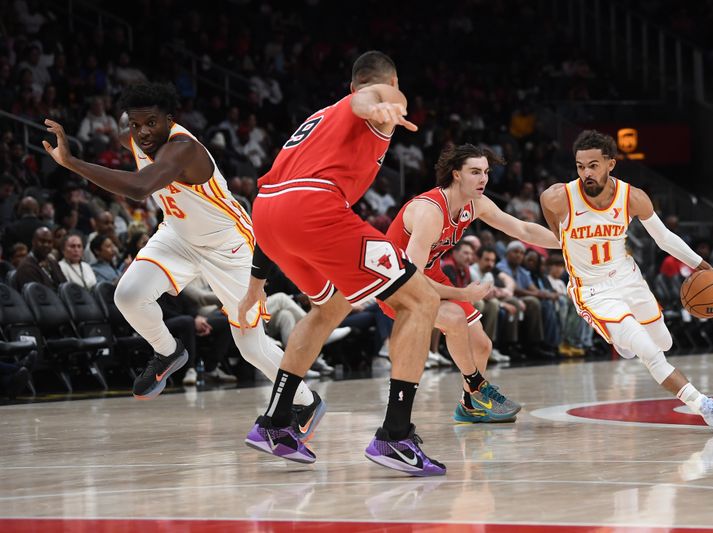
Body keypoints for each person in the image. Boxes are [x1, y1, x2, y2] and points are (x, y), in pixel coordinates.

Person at [42, 82, 324, 440]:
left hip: (228, 245)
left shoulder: (183, 148)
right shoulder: (138, 139)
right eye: (135, 125)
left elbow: (139, 188)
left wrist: (70, 162)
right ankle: (168, 352)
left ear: (169, 120)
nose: (143, 132)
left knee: (250, 345)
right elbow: (137, 168)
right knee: (127, 294)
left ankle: (306, 401)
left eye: (151, 124)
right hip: (178, 234)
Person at [238, 51, 443, 475]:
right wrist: (383, 103)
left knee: (330, 306)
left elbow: (280, 193)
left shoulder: (318, 118)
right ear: (389, 80)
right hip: (314, 207)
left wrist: (256, 283)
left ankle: (275, 422)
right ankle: (395, 436)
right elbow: (373, 99)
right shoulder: (377, 98)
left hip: (268, 213)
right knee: (421, 300)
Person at [540, 130, 713, 433]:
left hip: (629, 279)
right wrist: (564, 241)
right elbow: (553, 223)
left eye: (593, 165)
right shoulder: (558, 197)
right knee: (650, 351)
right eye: (580, 166)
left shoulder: (632, 197)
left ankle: (624, 340)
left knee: (663, 341)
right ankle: (706, 407)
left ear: (611, 164)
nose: (586, 174)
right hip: (592, 291)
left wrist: (701, 266)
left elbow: (664, 238)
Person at [382, 143, 560, 423]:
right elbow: (412, 280)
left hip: (432, 277)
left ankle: (470, 405)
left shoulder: (475, 204)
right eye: (475, 172)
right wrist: (463, 292)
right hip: (397, 285)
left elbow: (523, 229)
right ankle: (478, 386)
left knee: (481, 345)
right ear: (455, 175)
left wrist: (569, 241)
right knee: (453, 318)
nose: (484, 179)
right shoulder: (430, 212)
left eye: (486, 172)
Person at [13, 227, 66, 291]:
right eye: (42, 241)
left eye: (49, 242)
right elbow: (38, 295)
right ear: (33, 242)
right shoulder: (26, 267)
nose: (46, 245)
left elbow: (65, 285)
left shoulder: (53, 263)